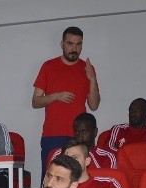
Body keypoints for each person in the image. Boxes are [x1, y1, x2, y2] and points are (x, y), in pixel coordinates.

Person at [33, 26, 101, 168]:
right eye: (70, 43)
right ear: (62, 44)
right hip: (52, 135)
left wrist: (93, 80)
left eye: (78, 44)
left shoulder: (87, 68)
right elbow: (35, 101)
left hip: (79, 136)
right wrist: (55, 96)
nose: (74, 48)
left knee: (79, 177)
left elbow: (94, 105)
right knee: (51, 177)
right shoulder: (48, 66)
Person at [61, 139, 127, 188]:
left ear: (87, 161)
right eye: (66, 159)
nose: (70, 162)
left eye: (75, 158)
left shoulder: (109, 184)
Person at [47, 113, 117, 169]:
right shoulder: (59, 154)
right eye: (77, 132)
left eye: (84, 132)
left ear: (95, 132)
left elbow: (110, 182)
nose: (80, 136)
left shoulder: (107, 157)